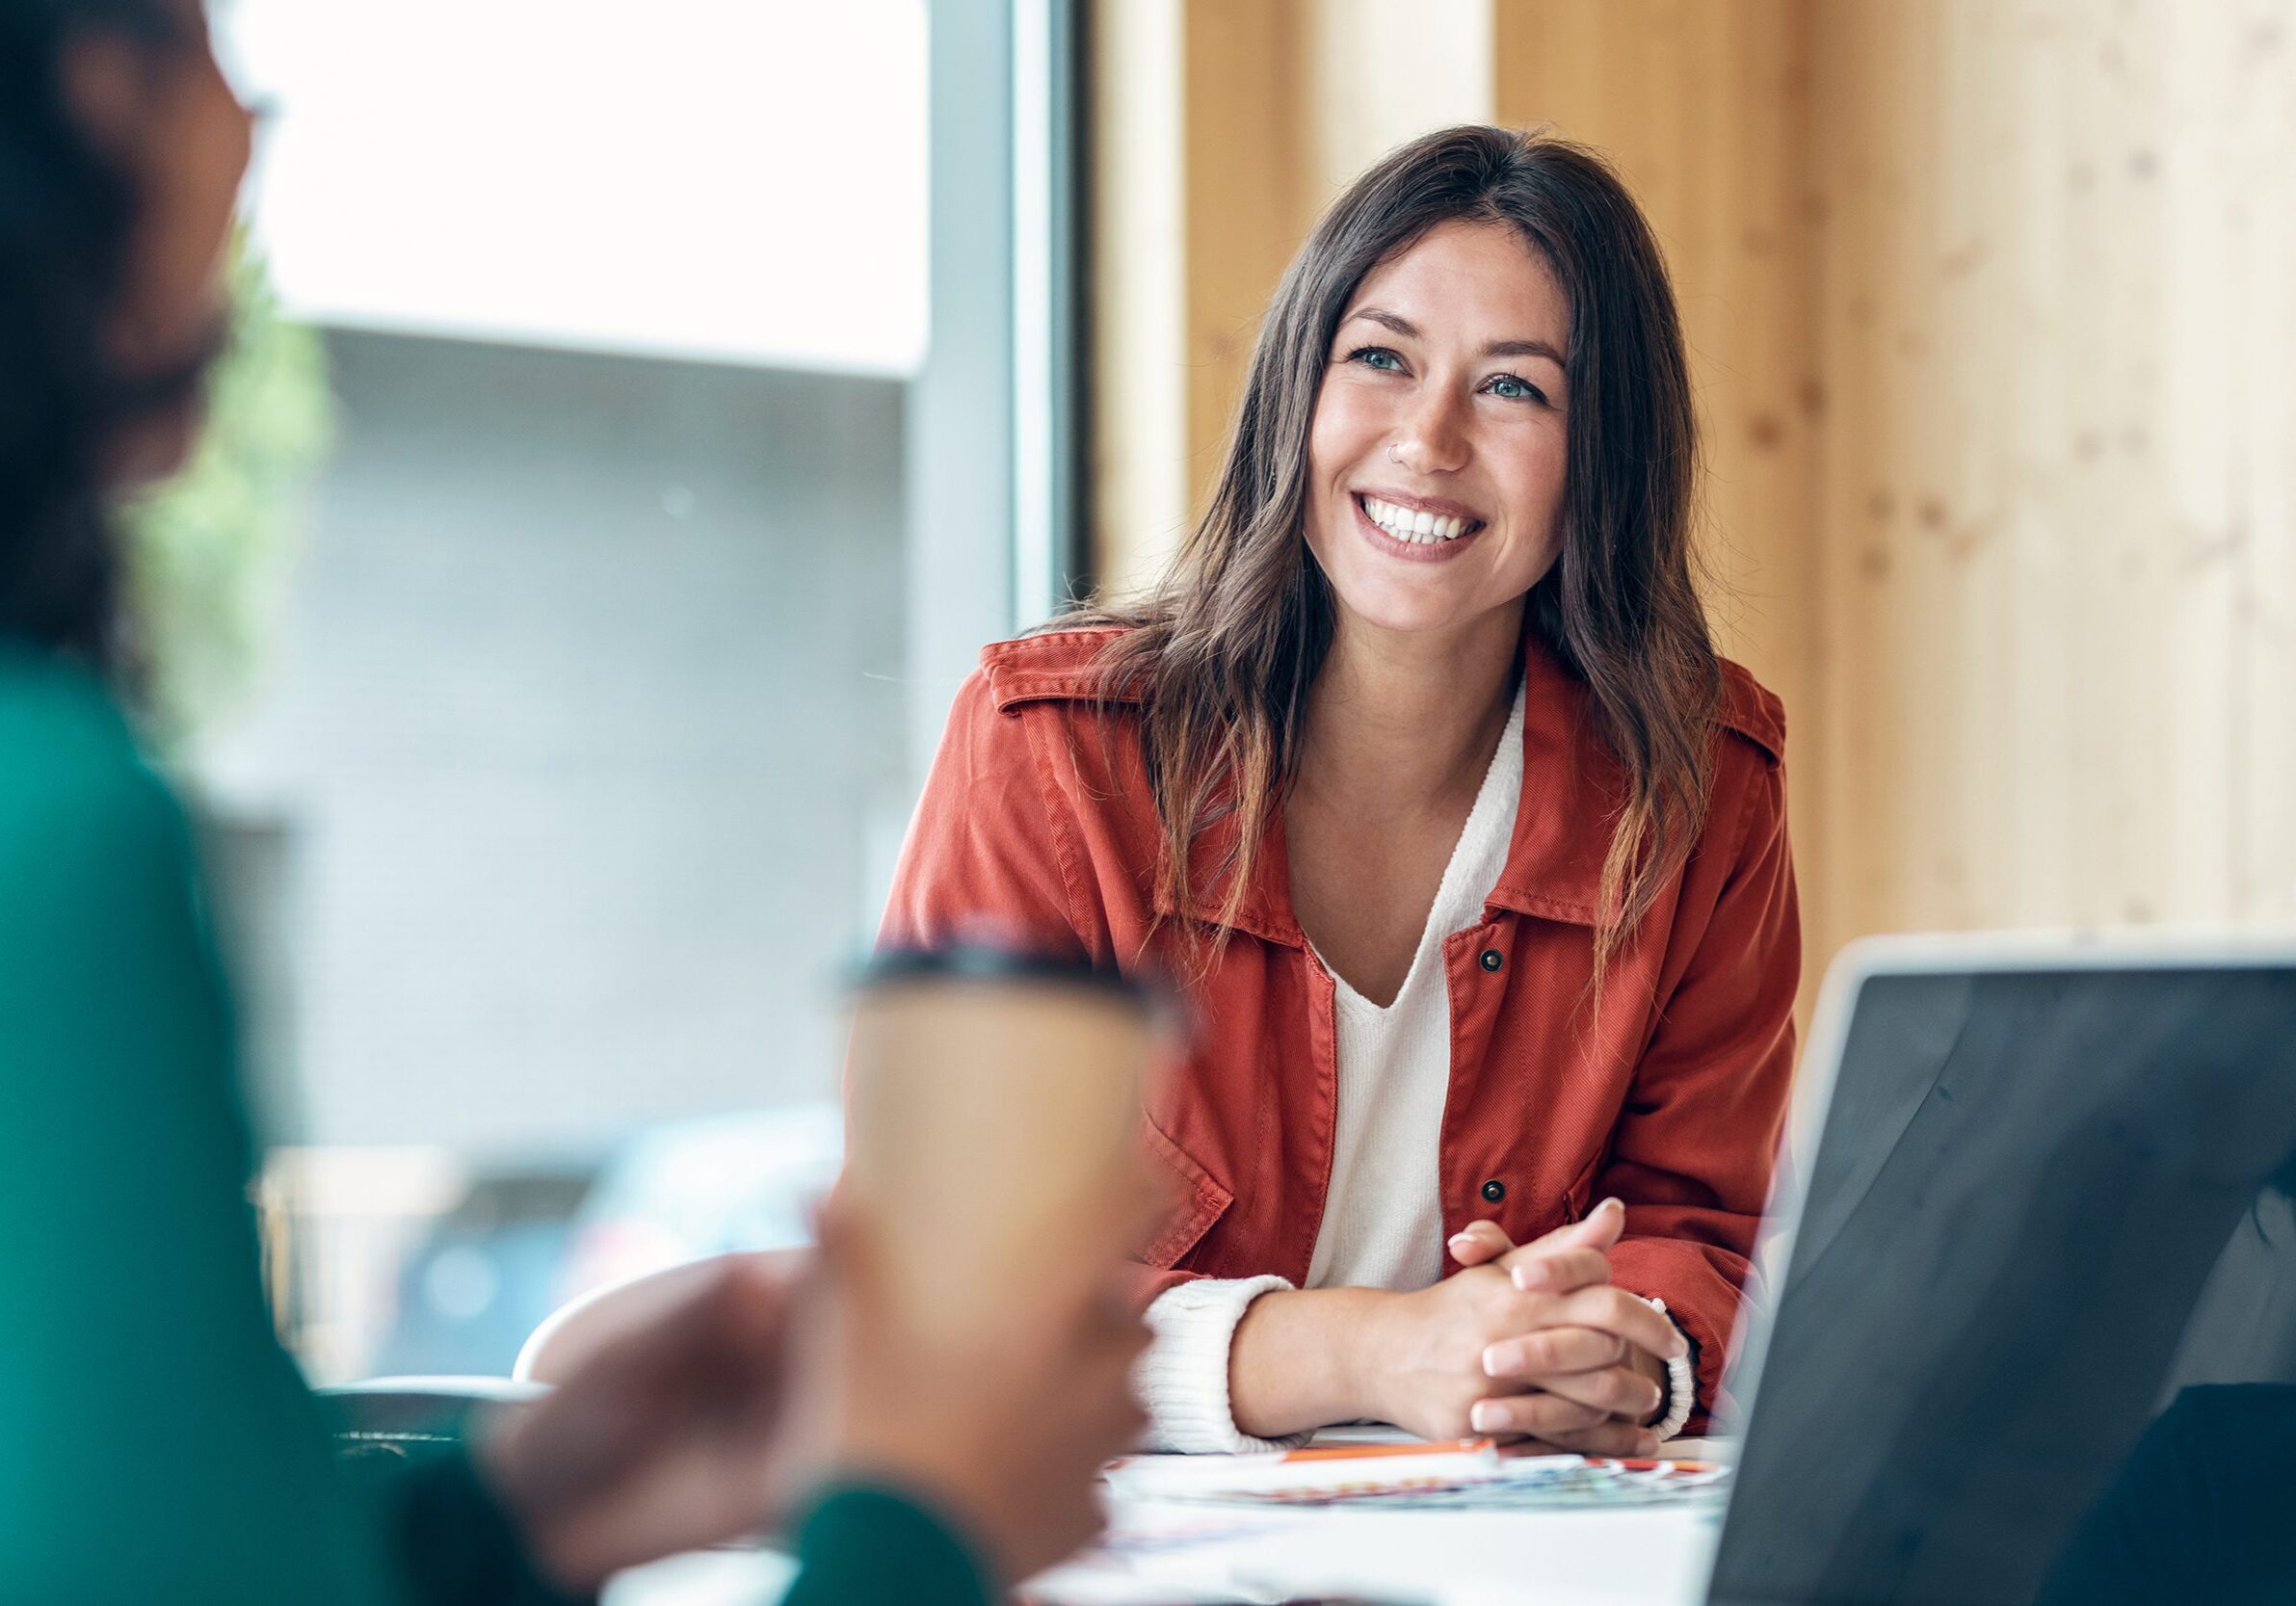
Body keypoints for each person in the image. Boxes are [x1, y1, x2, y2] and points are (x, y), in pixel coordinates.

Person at [0, 2, 1142, 1601]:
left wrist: (516, 1515)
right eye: (195, 51)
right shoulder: (54, 838)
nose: (250, 130)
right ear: (68, 102)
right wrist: (915, 1530)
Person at [879, 125, 1800, 1456]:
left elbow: (1704, 1235)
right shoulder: (1048, 759)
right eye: (1381, 359)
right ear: (1297, 391)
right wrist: (1372, 1353)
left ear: (1600, 458)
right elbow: (934, 1292)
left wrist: (1619, 1356)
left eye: (1515, 391)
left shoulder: (1701, 787)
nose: (1426, 440)